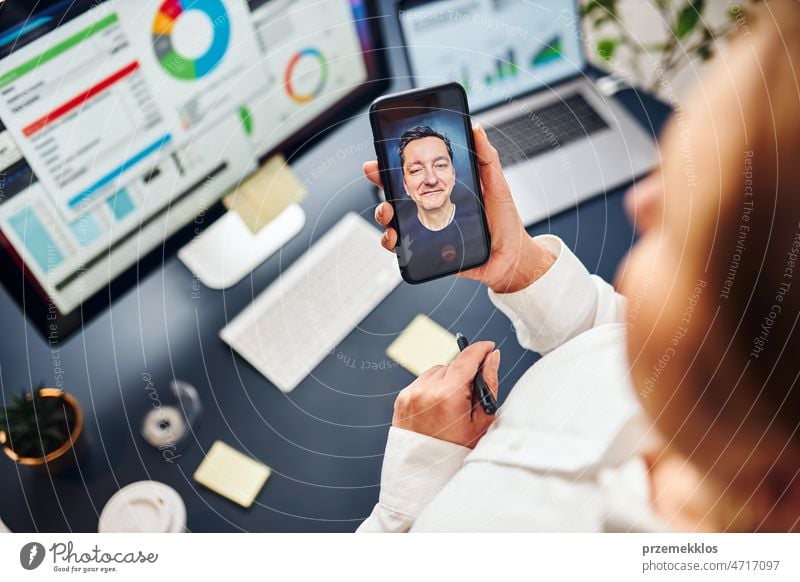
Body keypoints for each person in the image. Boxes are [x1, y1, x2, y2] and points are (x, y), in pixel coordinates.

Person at [358, 0, 800, 533]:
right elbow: (615, 339)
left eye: (687, 236)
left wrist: (406, 500)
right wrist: (519, 265)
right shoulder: (719, 384)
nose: (644, 199)